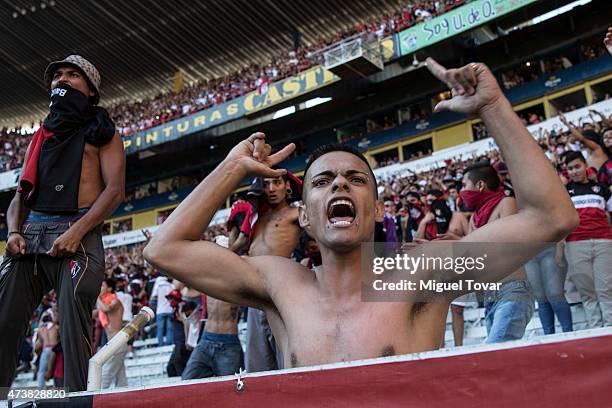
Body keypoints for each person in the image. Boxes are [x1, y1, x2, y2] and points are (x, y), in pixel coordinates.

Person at [144, 58, 578, 367]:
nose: (338, 184)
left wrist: (492, 107)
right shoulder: (278, 282)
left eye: (355, 179)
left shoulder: (422, 271)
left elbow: (551, 217)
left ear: (376, 210)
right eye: (322, 181)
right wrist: (233, 167)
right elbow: (165, 249)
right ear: (307, 218)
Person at [0, 55, 125, 397]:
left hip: (78, 234)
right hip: (32, 235)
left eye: (72, 74)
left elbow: (114, 191)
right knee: (3, 320)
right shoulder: (41, 135)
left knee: (74, 326)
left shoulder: (104, 131)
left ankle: (78, 401)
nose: (62, 79)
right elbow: (20, 196)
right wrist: (12, 232)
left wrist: (77, 231)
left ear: (92, 90)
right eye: (57, 75)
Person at [460, 161, 535, 343]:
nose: (462, 191)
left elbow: (507, 242)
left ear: (480, 185)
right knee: (503, 362)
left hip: (512, 291)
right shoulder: (475, 219)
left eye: (464, 185)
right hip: (490, 297)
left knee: (494, 356)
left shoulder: (507, 203)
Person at [244, 172, 301, 372]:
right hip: (253, 291)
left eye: (276, 182)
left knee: (285, 356)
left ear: (287, 186)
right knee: (257, 362)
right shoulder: (256, 218)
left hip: (280, 288)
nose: (271, 189)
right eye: (266, 184)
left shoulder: (297, 213)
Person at [180, 236, 244, 380]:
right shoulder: (207, 277)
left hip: (228, 343)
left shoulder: (238, 276)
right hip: (207, 339)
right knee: (186, 382)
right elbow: (180, 282)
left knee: (231, 392)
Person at [563, 151, 612, 327]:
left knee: (606, 289)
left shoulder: (602, 189)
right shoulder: (563, 193)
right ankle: (596, 330)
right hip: (576, 244)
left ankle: (609, 329)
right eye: (570, 168)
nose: (574, 171)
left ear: (585, 165)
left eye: (577, 166)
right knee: (587, 292)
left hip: (604, 242)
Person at [94, 278, 127, 389]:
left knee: (106, 374)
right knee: (121, 376)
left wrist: (97, 298)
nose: (99, 288)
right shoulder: (102, 303)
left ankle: (97, 398)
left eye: (102, 286)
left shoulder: (115, 301)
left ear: (109, 288)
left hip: (118, 340)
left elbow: (106, 308)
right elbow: (93, 313)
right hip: (113, 342)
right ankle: (124, 397)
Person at [35, 314, 59, 388]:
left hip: (46, 349)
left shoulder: (40, 330)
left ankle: (41, 389)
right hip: (55, 349)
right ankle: (57, 386)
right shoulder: (56, 327)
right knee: (56, 369)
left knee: (41, 371)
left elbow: (40, 343)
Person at [151, 275, 175, 346]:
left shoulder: (158, 284)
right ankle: (169, 344)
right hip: (170, 310)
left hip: (160, 310)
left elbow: (153, 297)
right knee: (170, 328)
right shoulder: (171, 285)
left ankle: (160, 344)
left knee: (160, 329)